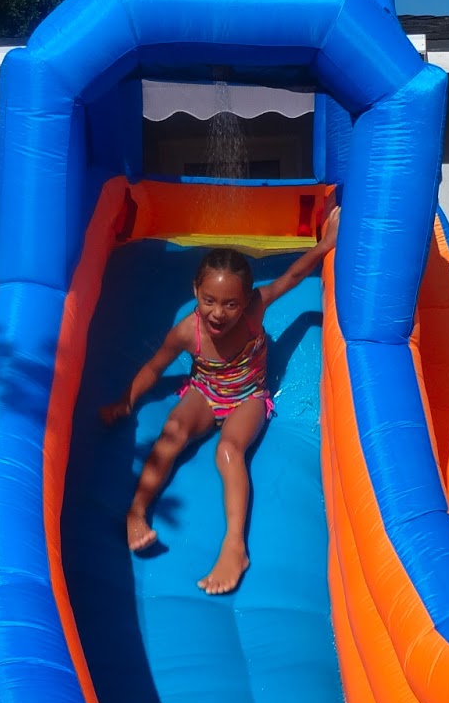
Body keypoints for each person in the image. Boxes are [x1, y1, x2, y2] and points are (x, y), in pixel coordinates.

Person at [101, 207, 340, 594]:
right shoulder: (187, 331)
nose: (218, 312)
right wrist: (126, 401)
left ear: (246, 301)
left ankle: (234, 546)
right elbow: (154, 366)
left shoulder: (254, 312)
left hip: (248, 396)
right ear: (196, 291)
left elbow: (293, 277)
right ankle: (137, 511)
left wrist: (326, 244)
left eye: (231, 303)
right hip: (205, 391)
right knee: (173, 430)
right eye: (209, 300)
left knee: (229, 450)